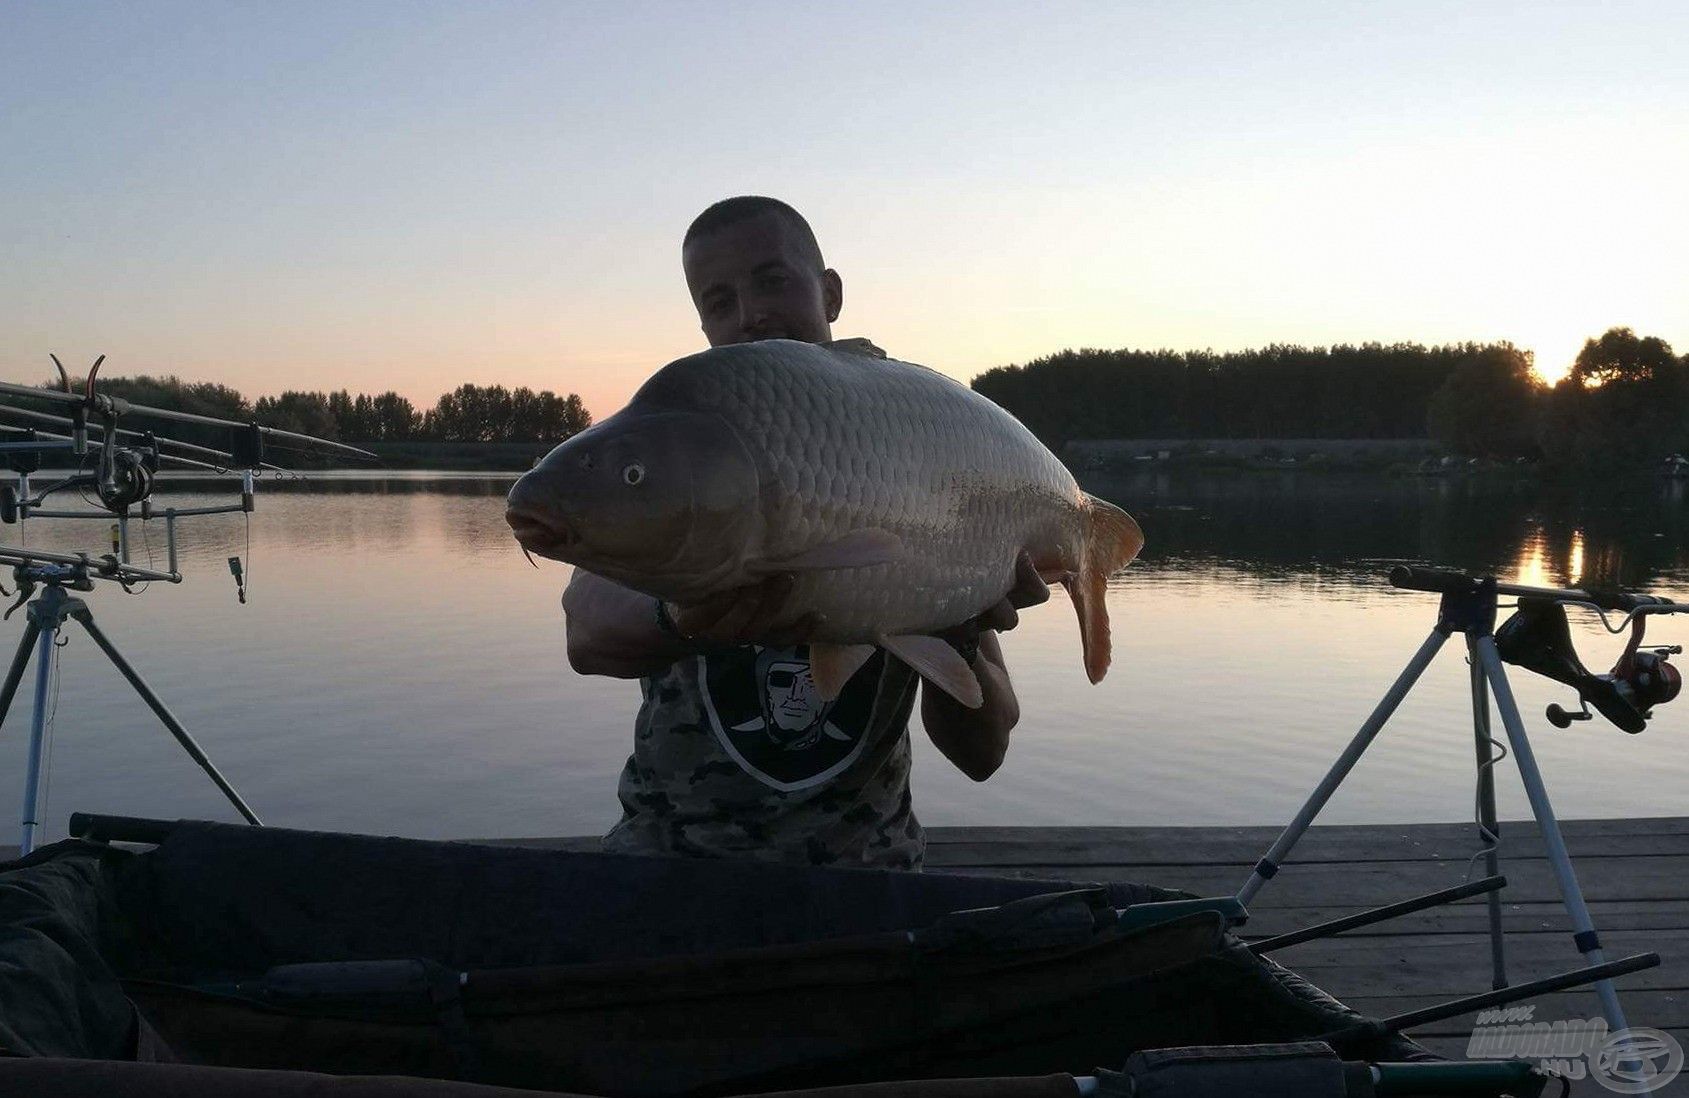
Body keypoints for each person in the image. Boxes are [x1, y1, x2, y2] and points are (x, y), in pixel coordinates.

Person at [562, 196, 1048, 869]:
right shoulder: (680, 440)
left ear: (830, 291)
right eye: (719, 299)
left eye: (772, 280)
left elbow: (981, 754)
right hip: (669, 860)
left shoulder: (917, 442)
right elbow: (585, 634)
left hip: (864, 873)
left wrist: (958, 626)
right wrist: (687, 612)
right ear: (701, 321)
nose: (750, 312)